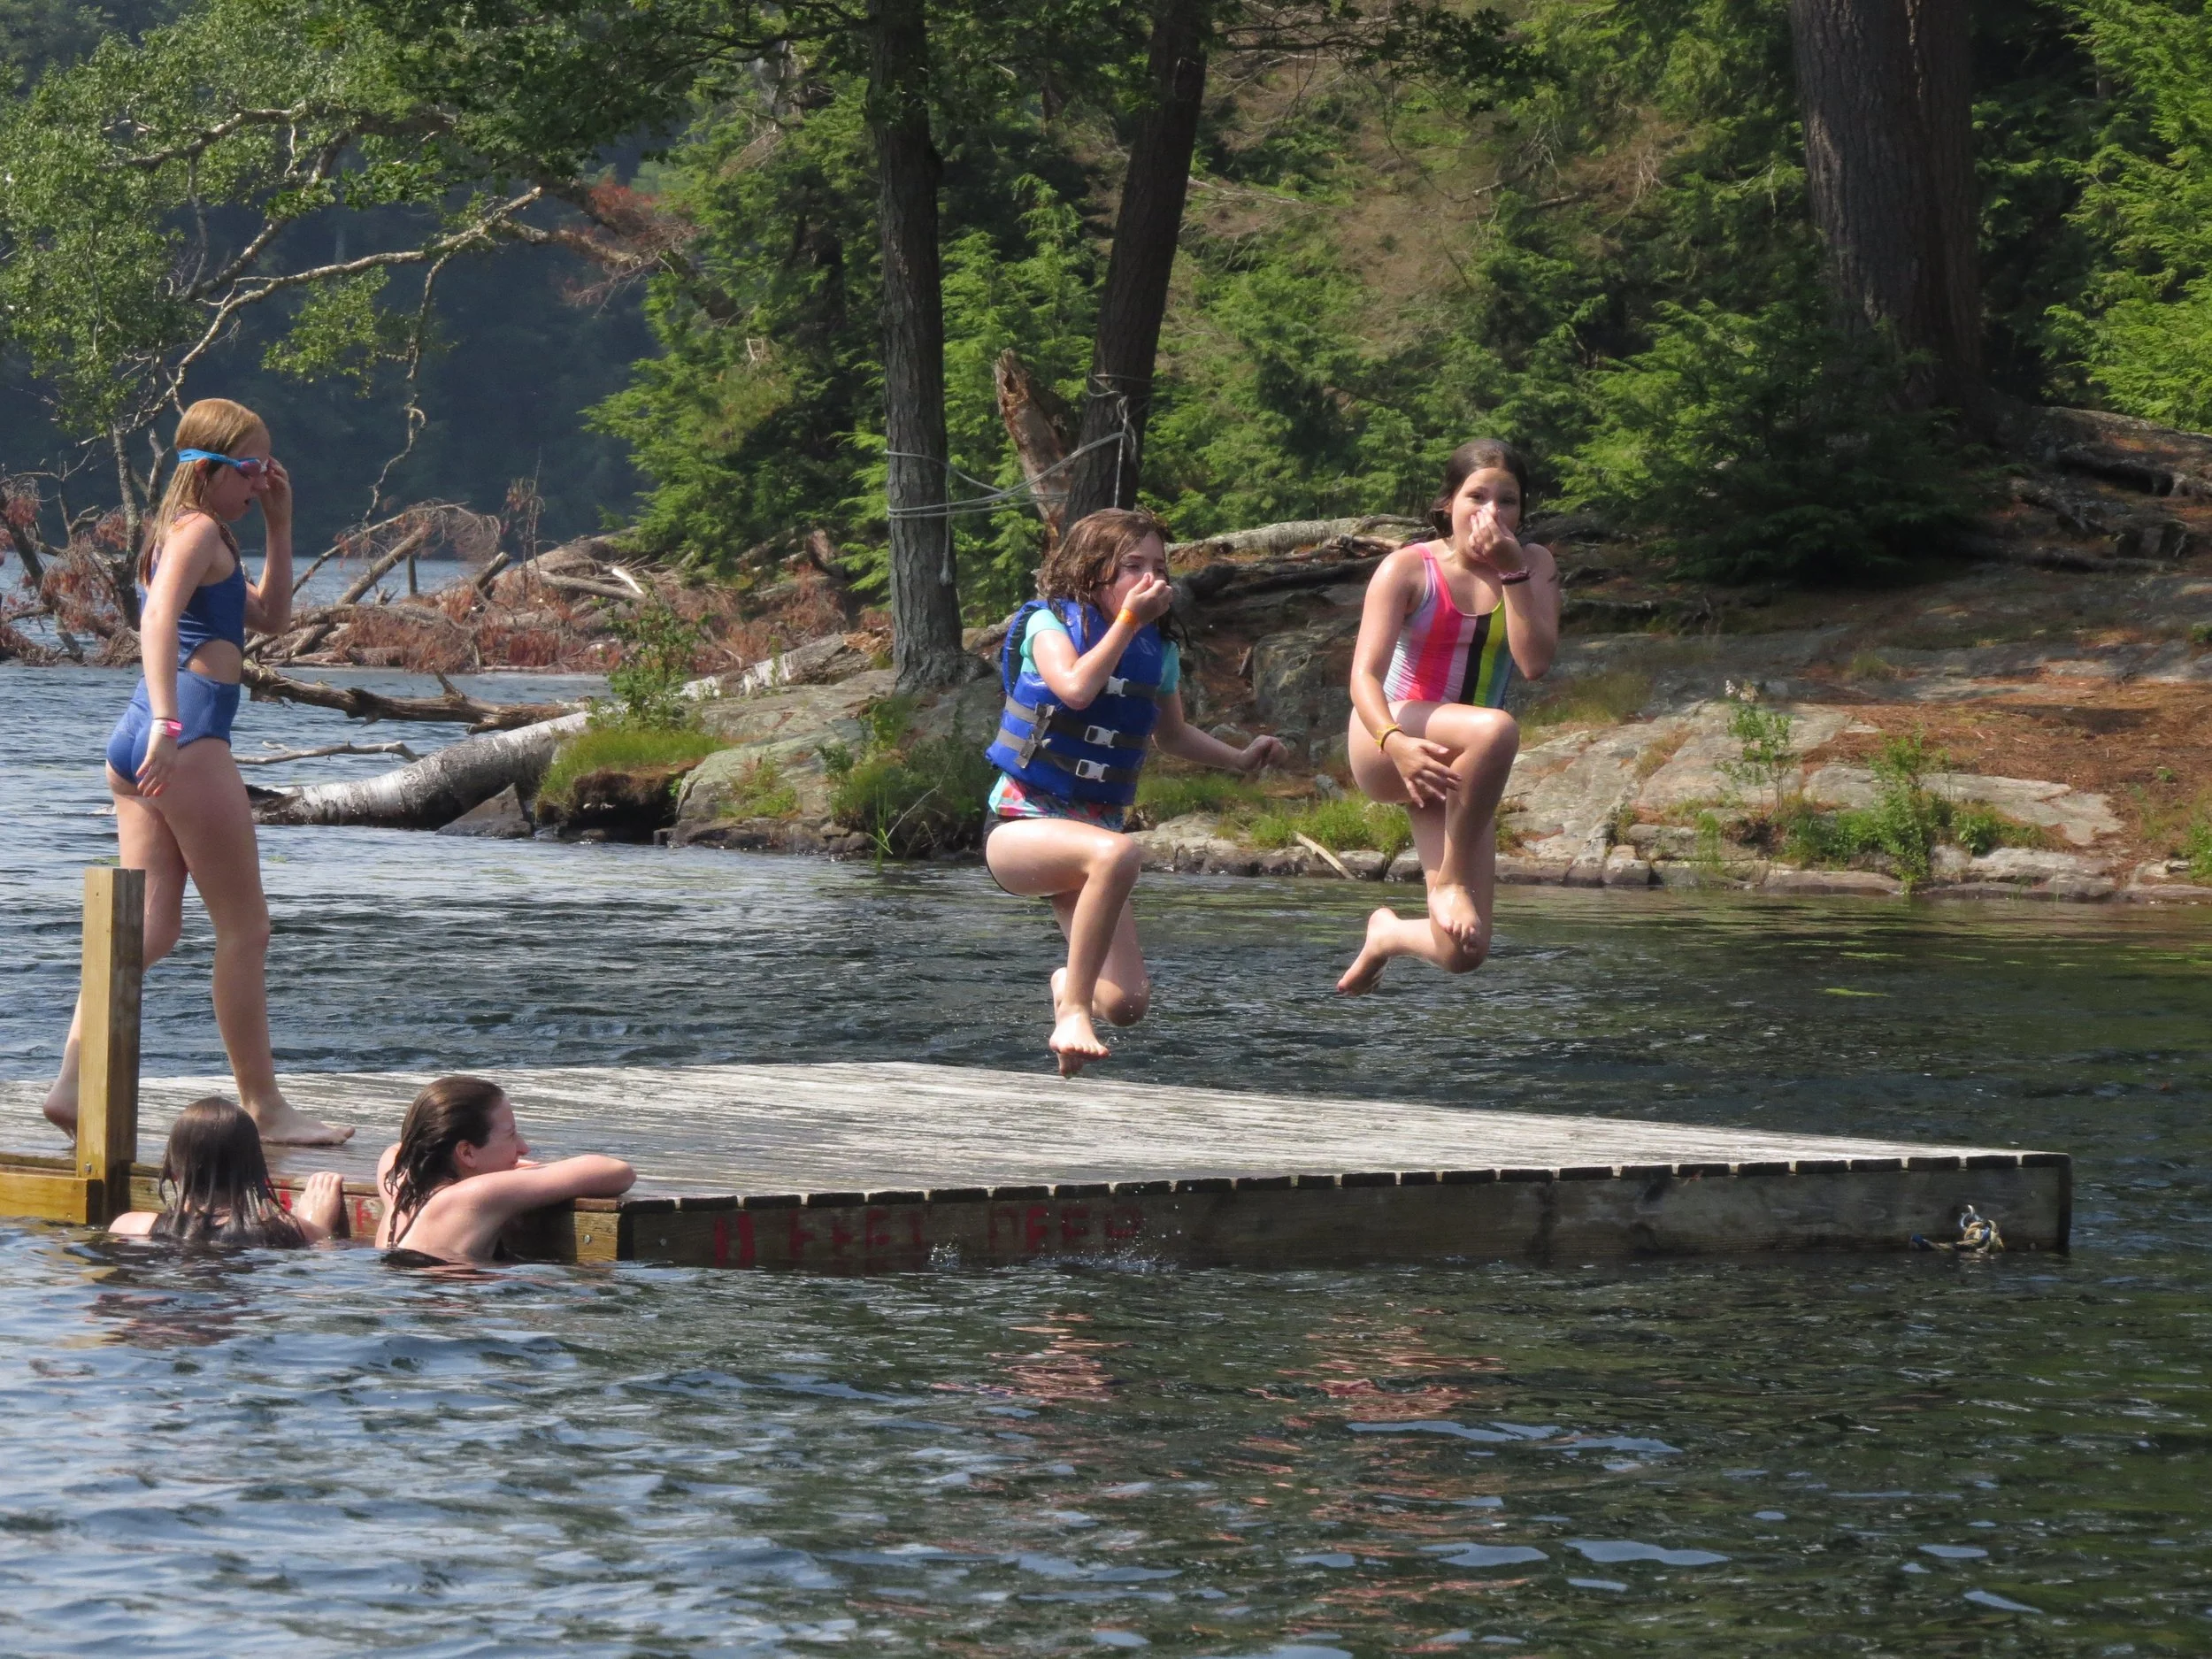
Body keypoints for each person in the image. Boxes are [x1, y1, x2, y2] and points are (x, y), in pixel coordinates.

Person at [44, 398, 349, 1147]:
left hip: (145, 736)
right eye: (250, 470)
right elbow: (153, 622)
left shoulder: (191, 533)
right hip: (185, 734)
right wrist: (172, 725)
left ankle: (67, 1085)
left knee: (147, 928)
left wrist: (281, 524)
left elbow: (272, 619)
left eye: (268, 468)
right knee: (246, 928)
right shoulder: (198, 530)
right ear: (207, 471)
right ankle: (265, 1106)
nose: (261, 481)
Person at [983, 508, 1286, 1076]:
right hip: (1018, 828)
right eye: (1131, 566)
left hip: (1092, 838)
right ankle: (1074, 1010)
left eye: (1159, 567)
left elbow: (1171, 734)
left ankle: (1067, 988)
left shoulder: (1159, 650)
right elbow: (1074, 690)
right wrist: (1126, 623)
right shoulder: (1051, 624)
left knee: (1125, 1004)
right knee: (1120, 850)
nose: (1150, 580)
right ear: (1091, 571)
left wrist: (1240, 759)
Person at [1335, 439, 1562, 995]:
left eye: (1506, 501)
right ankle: (1452, 881)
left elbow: (1534, 664)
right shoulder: (1408, 569)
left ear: (1521, 512)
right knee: (1496, 726)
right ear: (1447, 505)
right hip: (1387, 738)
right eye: (1476, 496)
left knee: (1465, 951)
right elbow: (1363, 676)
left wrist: (1512, 574)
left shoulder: (1534, 565)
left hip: (1464, 762)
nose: (1491, 512)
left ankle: (1386, 935)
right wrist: (1395, 743)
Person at [374, 1076, 637, 1265]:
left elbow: (397, 1149)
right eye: (511, 1135)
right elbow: (617, 1171)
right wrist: (516, 1175)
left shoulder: (398, 1186)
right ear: (467, 1152)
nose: (524, 1148)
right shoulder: (476, 1196)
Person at [109, 1096, 348, 1246]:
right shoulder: (285, 1231)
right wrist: (319, 1228)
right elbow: (318, 1261)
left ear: (173, 1170)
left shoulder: (130, 1226)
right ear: (255, 1171)